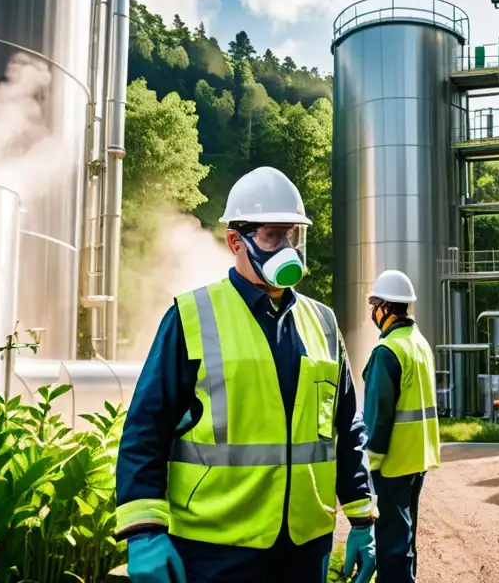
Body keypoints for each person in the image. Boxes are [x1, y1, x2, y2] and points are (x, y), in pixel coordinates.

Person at [113, 166, 378, 583]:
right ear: (235, 241)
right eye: (273, 236)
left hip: (306, 549)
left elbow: (346, 426)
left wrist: (362, 517)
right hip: (215, 551)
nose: (287, 247)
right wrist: (144, 532)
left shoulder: (323, 323)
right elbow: (146, 428)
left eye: (293, 235)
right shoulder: (191, 317)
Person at [360, 270, 441, 583]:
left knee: (391, 542)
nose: (372, 312)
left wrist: (369, 463)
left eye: (374, 305)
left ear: (385, 308)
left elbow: (378, 416)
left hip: (392, 463)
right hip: (417, 459)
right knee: (406, 536)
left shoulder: (388, 351)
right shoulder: (420, 344)